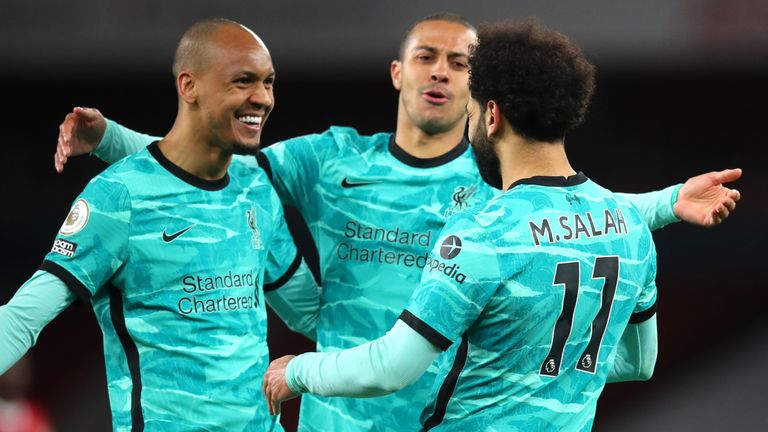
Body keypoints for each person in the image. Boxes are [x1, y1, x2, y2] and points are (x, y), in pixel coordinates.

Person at [53, 13, 741, 432]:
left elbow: (572, 215)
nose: (441, 72)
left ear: (483, 98)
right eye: (426, 57)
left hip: (430, 411)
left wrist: (666, 199)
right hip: (340, 419)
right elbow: (204, 171)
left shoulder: (492, 199)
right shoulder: (331, 159)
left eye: (461, 63)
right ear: (397, 73)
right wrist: (113, 138)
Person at [261, 18, 743, 431]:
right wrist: (535, 368)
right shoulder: (631, 228)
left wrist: (298, 371)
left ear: (491, 115)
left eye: (471, 111)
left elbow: (393, 367)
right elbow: (640, 364)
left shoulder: (482, 231)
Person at [0, 18, 320, 431]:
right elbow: (23, 317)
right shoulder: (119, 195)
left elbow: (310, 313)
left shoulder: (256, 191)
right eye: (243, 81)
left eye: (269, 82)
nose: (262, 97)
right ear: (189, 86)